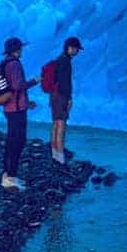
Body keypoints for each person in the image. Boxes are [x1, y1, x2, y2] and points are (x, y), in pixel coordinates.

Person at [0, 37, 38, 191]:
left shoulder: (5, 63)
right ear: (16, 50)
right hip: (17, 109)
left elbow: (13, 88)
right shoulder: (15, 64)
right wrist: (34, 81)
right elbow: (18, 86)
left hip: (10, 108)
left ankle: (8, 174)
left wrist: (27, 103)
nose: (22, 50)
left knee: (12, 141)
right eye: (20, 48)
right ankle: (10, 177)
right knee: (17, 141)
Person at [50, 36, 83, 164]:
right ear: (69, 48)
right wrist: (69, 98)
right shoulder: (65, 61)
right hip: (61, 96)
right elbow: (65, 82)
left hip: (54, 95)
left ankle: (55, 153)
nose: (77, 51)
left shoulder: (59, 59)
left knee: (56, 124)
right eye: (75, 49)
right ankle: (60, 157)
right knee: (61, 125)